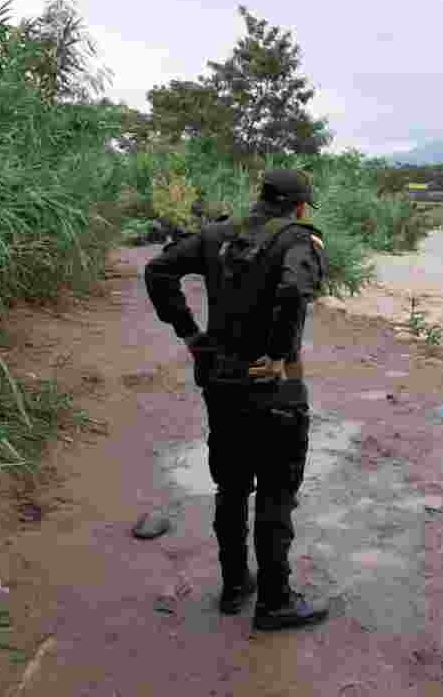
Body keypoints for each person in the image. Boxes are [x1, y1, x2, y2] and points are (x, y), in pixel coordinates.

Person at [144, 168, 330, 631]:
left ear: (260, 196)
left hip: (222, 380)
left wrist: (190, 334)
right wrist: (277, 352)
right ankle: (275, 601)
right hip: (275, 385)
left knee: (231, 488)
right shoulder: (298, 240)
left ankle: (234, 586)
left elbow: (158, 268)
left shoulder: (219, 234)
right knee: (275, 492)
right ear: (301, 206)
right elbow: (292, 291)